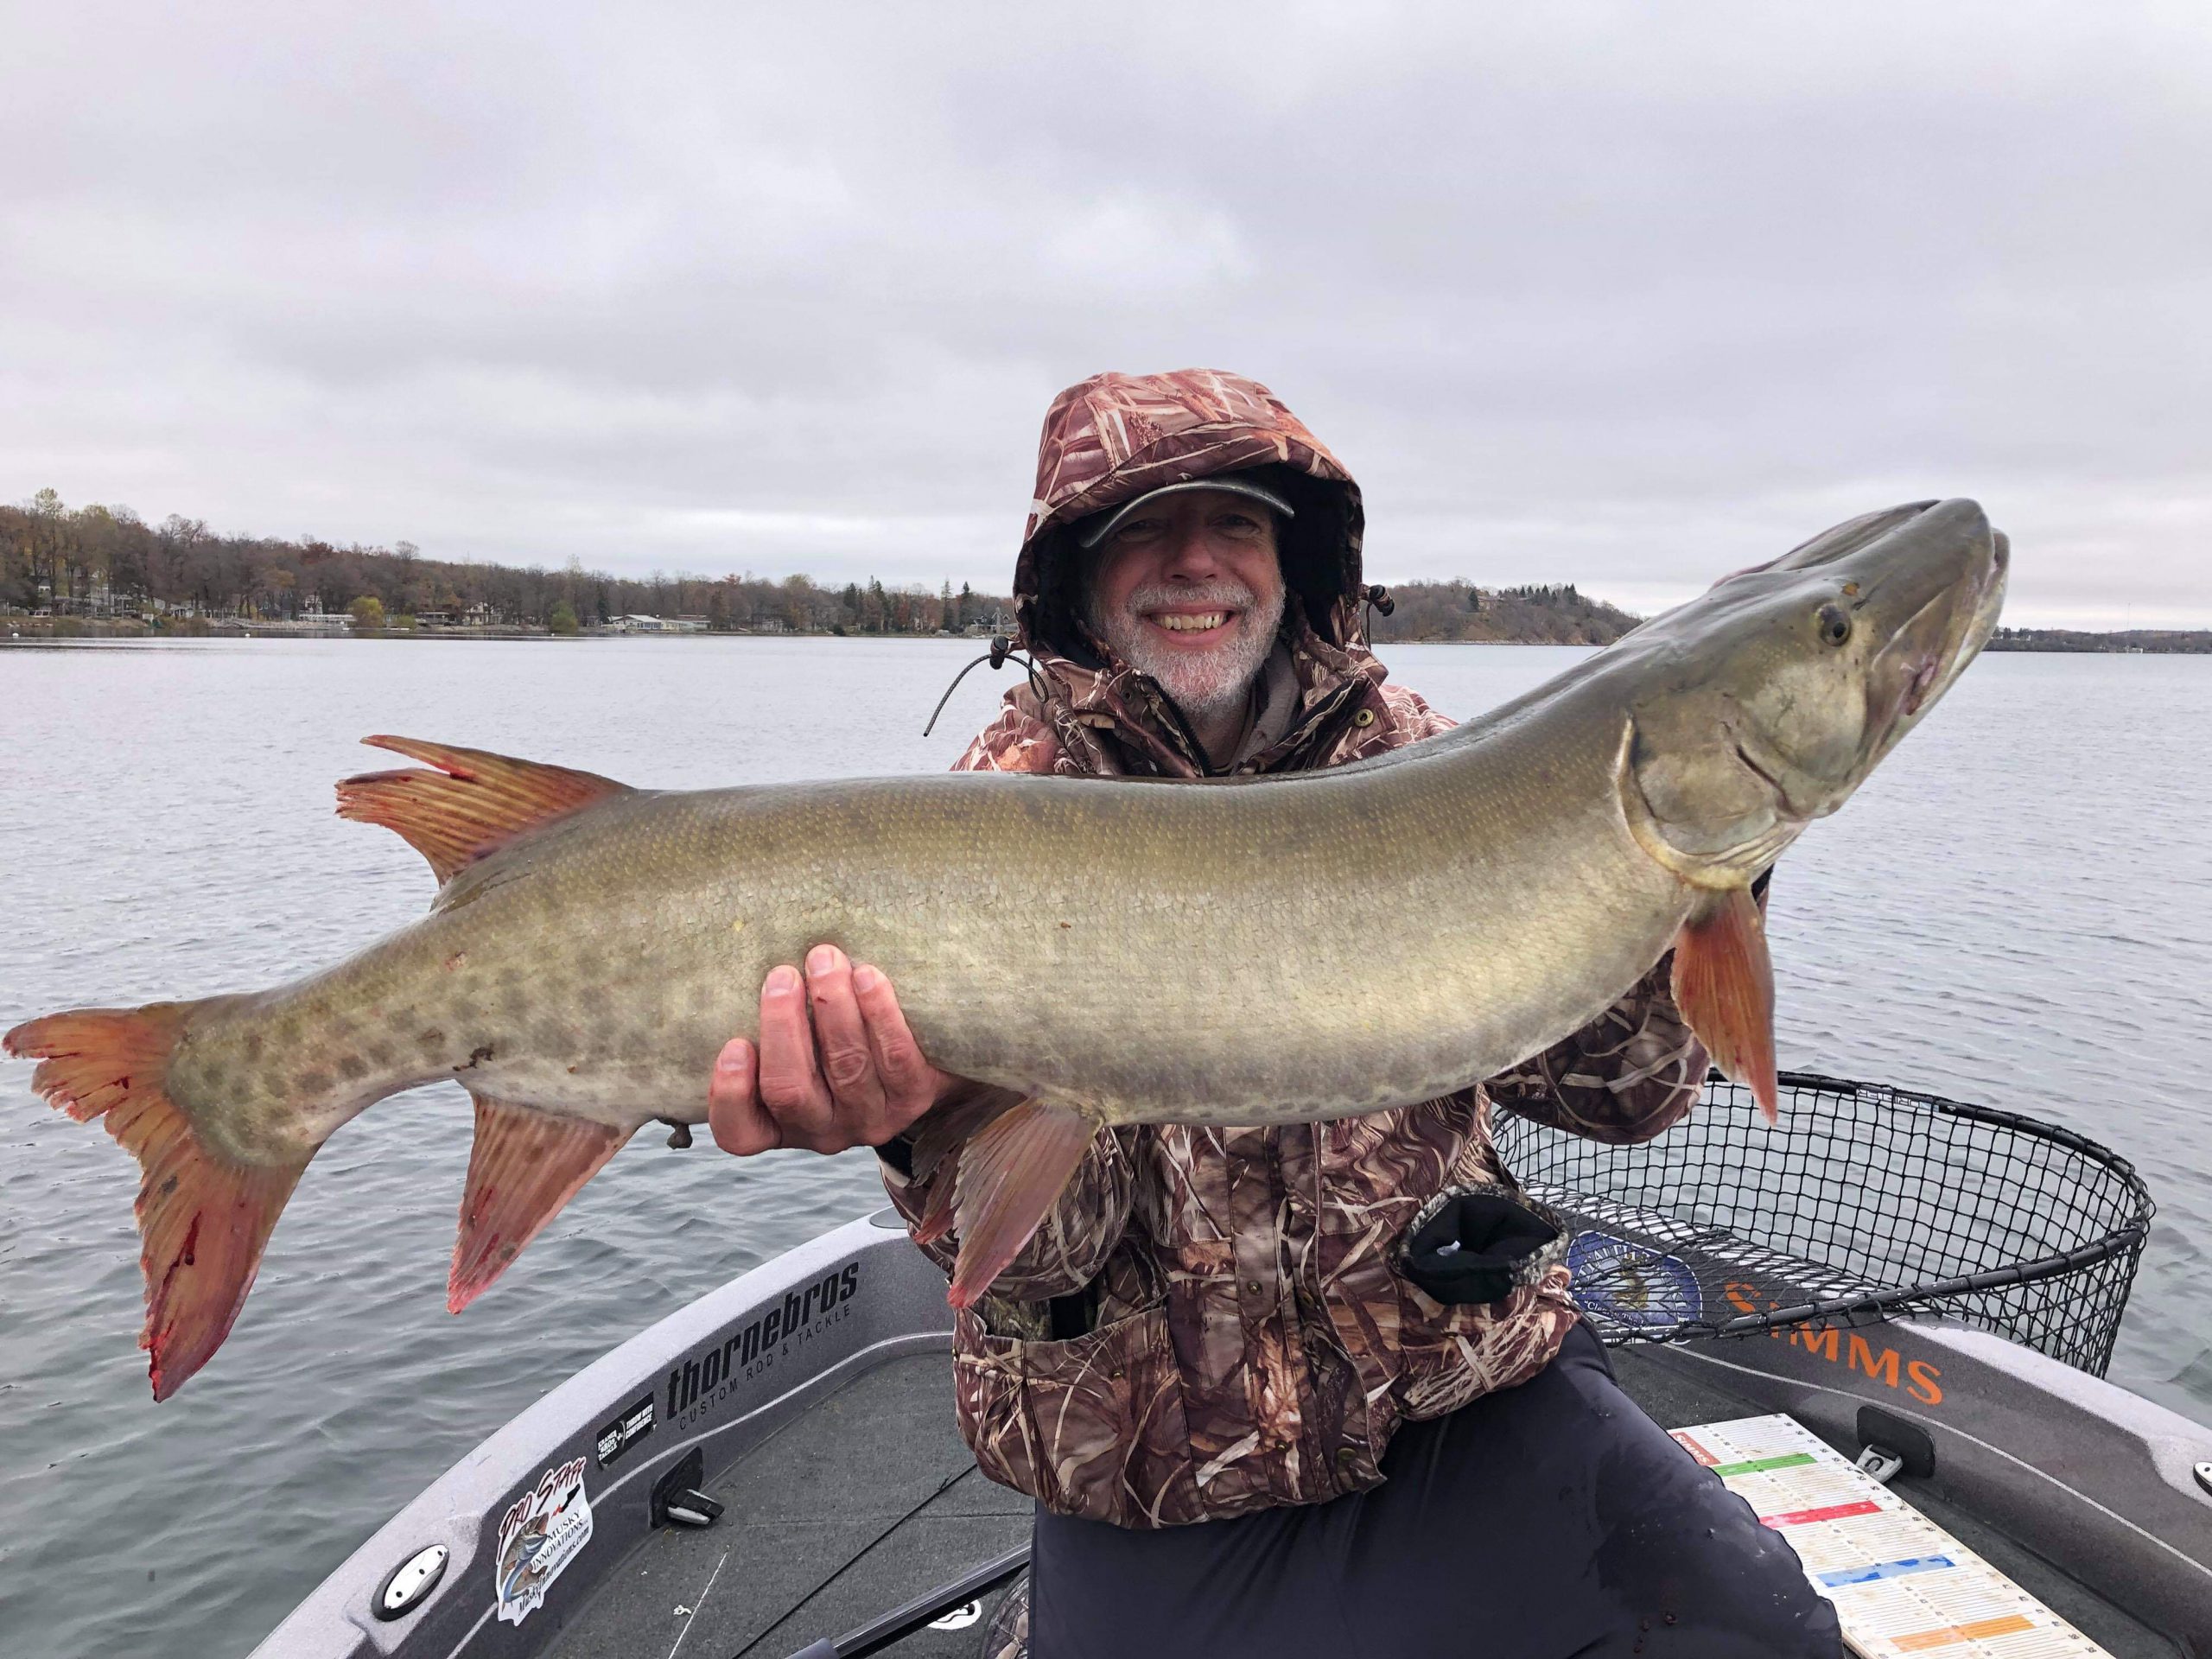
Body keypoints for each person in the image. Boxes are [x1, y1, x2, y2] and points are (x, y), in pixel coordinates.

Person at [707, 370, 1840, 1658]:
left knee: (1765, 1635)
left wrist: (1710, 861)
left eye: (1235, 524)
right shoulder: (993, 811)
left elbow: (1619, 1098)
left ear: (1293, 558)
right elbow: (1035, 1275)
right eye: (1146, 527)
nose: (1196, 566)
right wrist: (923, 1133)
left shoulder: (1428, 765)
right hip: (1153, 1479)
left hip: (1460, 1400)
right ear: (1075, 576)